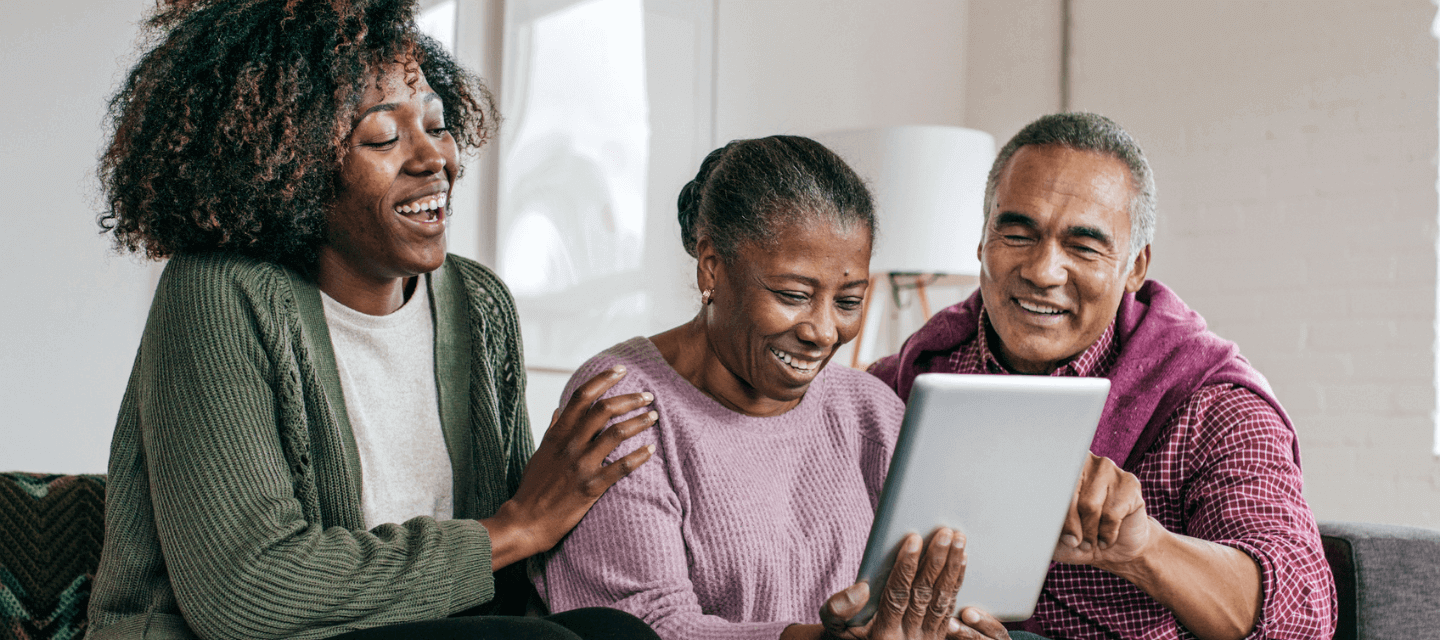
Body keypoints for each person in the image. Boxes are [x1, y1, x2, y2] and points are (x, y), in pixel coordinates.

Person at [87, 2, 661, 639]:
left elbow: (515, 569)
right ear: (290, 167)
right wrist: (513, 529)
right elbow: (247, 592)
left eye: (437, 125)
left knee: (619, 633)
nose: (432, 158)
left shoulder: (480, 304)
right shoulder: (219, 294)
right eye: (384, 137)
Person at [531, 136, 1021, 640]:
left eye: (848, 301)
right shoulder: (623, 403)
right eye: (793, 295)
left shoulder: (868, 409)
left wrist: (956, 623)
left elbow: (925, 594)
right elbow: (646, 629)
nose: (823, 331)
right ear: (712, 267)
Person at [868, 113, 1336, 640]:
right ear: (982, 243)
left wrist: (1143, 550)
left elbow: (1302, 616)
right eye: (1018, 233)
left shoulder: (1210, 402)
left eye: (1084, 246)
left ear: (1135, 266)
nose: (1043, 271)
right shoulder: (901, 382)